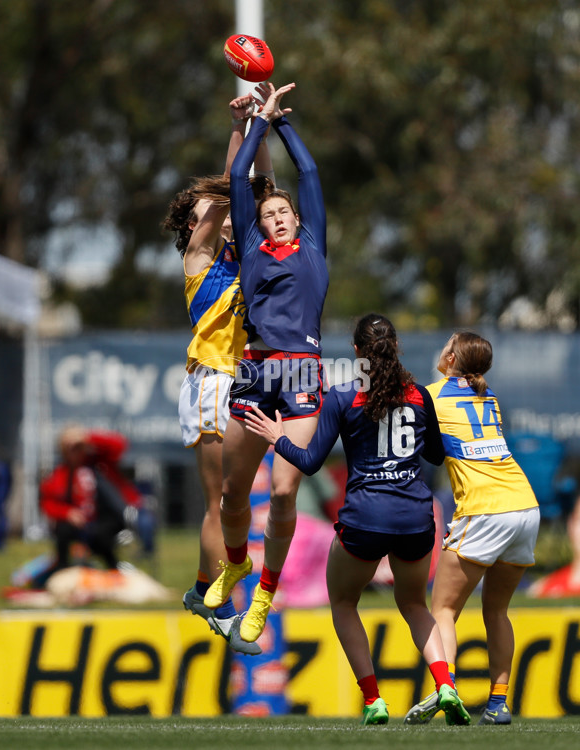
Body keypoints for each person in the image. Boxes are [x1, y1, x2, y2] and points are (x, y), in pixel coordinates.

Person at [244, 314, 470, 726]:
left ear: (356, 353)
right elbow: (437, 456)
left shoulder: (345, 396)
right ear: (396, 347)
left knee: (345, 603)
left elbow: (310, 463)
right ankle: (446, 685)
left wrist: (277, 438)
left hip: (365, 518)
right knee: (415, 605)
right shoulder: (420, 395)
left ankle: (373, 700)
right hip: (416, 519)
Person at [203, 82, 330, 644]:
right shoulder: (252, 249)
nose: (277, 217)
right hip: (254, 372)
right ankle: (235, 563)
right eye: (269, 212)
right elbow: (237, 183)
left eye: (284, 212)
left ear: (298, 221)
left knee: (282, 492)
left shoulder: (314, 246)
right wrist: (254, 123)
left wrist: (279, 122)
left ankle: (264, 594)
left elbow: (310, 176)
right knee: (233, 496)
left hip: (301, 371)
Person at [162, 89, 274, 656]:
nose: (220, 210)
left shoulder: (244, 255)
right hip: (211, 381)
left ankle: (205, 589)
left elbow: (260, 189)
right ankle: (221, 607)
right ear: (193, 224)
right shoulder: (198, 259)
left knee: (242, 503)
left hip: (246, 383)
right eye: (208, 208)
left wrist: (260, 127)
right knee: (221, 504)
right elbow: (234, 190)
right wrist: (239, 129)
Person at [404, 332, 541, 726]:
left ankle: (447, 689)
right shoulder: (490, 396)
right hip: (524, 506)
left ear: (449, 356)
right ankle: (498, 703)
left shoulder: (429, 394)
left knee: (443, 608)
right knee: (497, 610)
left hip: (483, 510)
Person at [39, 426, 132, 575]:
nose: (76, 452)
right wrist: (67, 512)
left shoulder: (101, 464)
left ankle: (114, 569)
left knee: (102, 535)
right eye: (70, 448)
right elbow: (47, 503)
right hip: (78, 524)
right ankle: (62, 569)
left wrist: (86, 437)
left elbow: (120, 445)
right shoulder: (59, 475)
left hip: (104, 520)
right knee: (63, 529)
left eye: (78, 447)